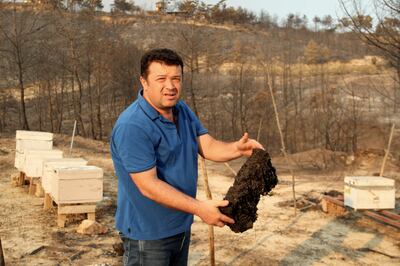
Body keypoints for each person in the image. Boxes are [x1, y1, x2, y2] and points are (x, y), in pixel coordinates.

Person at [110, 48, 263, 266]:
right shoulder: (132, 125)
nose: (170, 86)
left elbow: (207, 146)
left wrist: (238, 149)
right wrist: (200, 208)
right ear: (144, 82)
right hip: (148, 234)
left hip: (180, 225)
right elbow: (148, 185)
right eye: (161, 79)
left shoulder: (180, 108)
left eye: (176, 79)